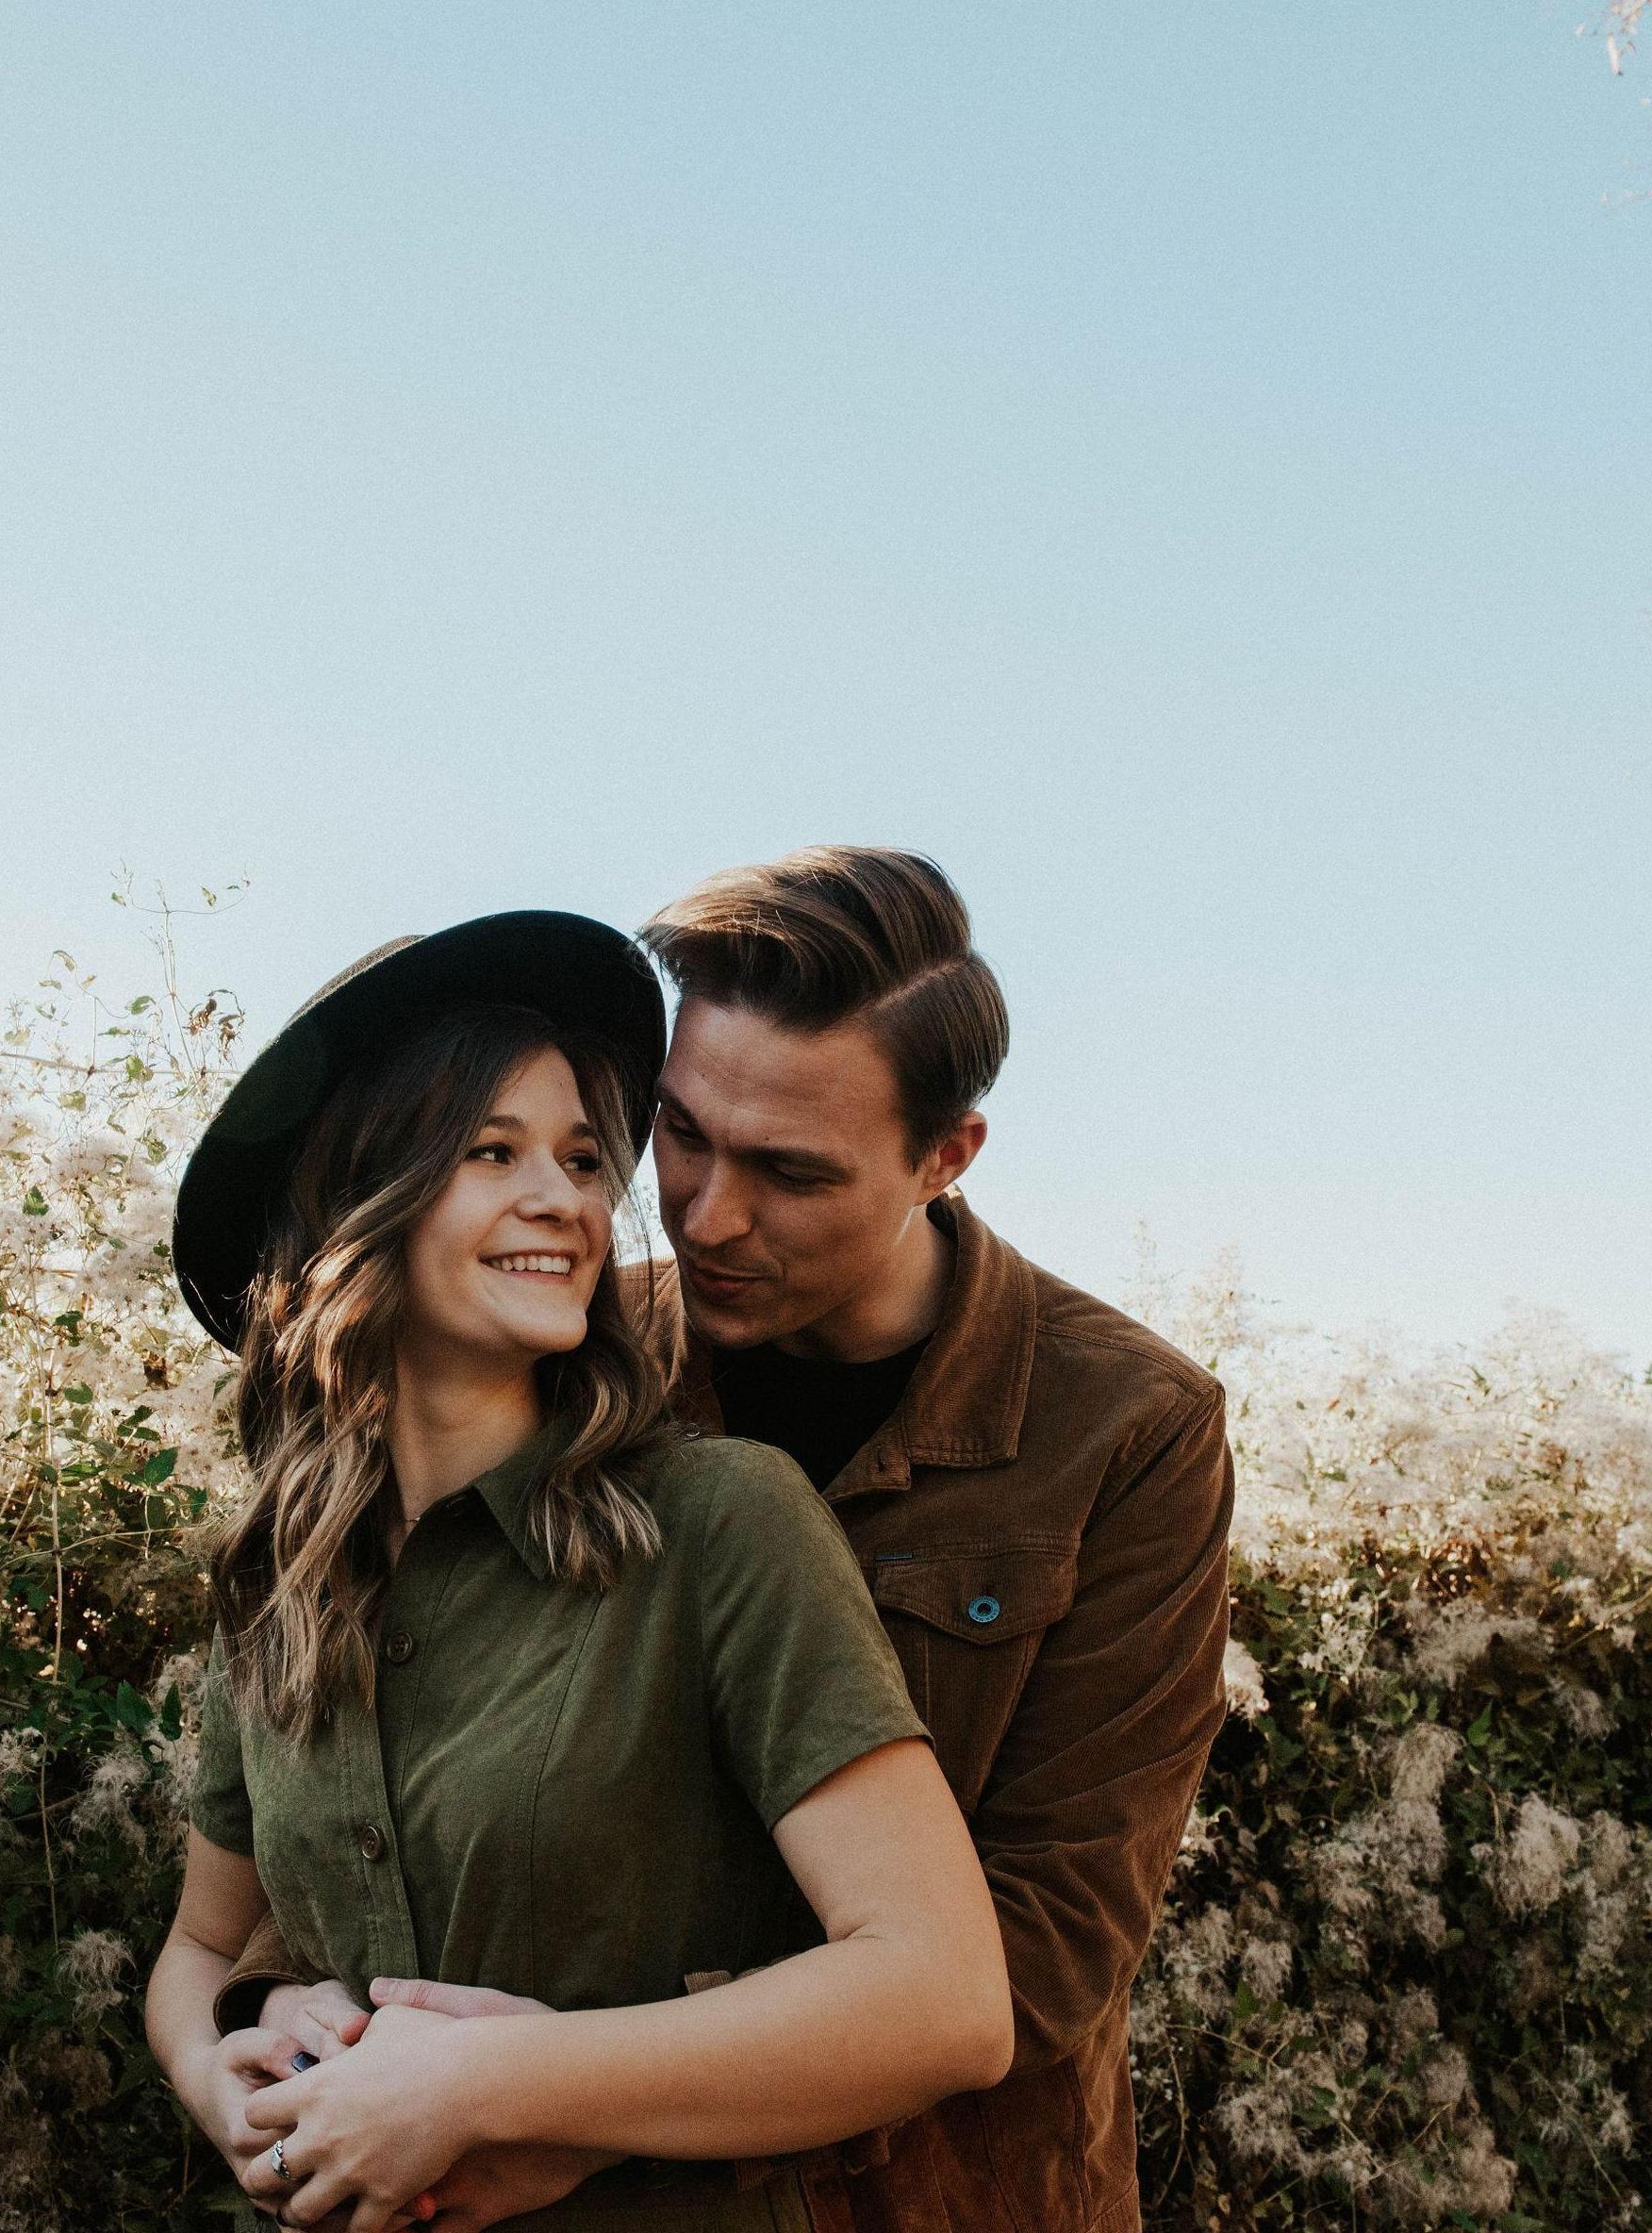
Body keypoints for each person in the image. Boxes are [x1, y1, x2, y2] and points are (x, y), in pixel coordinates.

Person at [223, 852, 1236, 2233]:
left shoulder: (1127, 1427)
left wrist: (567, 2109)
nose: (705, 1218)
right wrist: (288, 2015)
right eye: (680, 1135)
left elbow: (1045, 1946)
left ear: (944, 1158)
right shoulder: (571, 1341)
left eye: (790, 1172)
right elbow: (402, 1766)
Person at [142, 909, 1015, 2233]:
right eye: (492, 1152)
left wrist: (489, 2090)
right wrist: (223, 2074)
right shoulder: (278, 1585)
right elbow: (202, 1948)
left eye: (584, 1157)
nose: (567, 1200)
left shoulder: (718, 1523)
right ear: (353, 1202)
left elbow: (942, 2000)